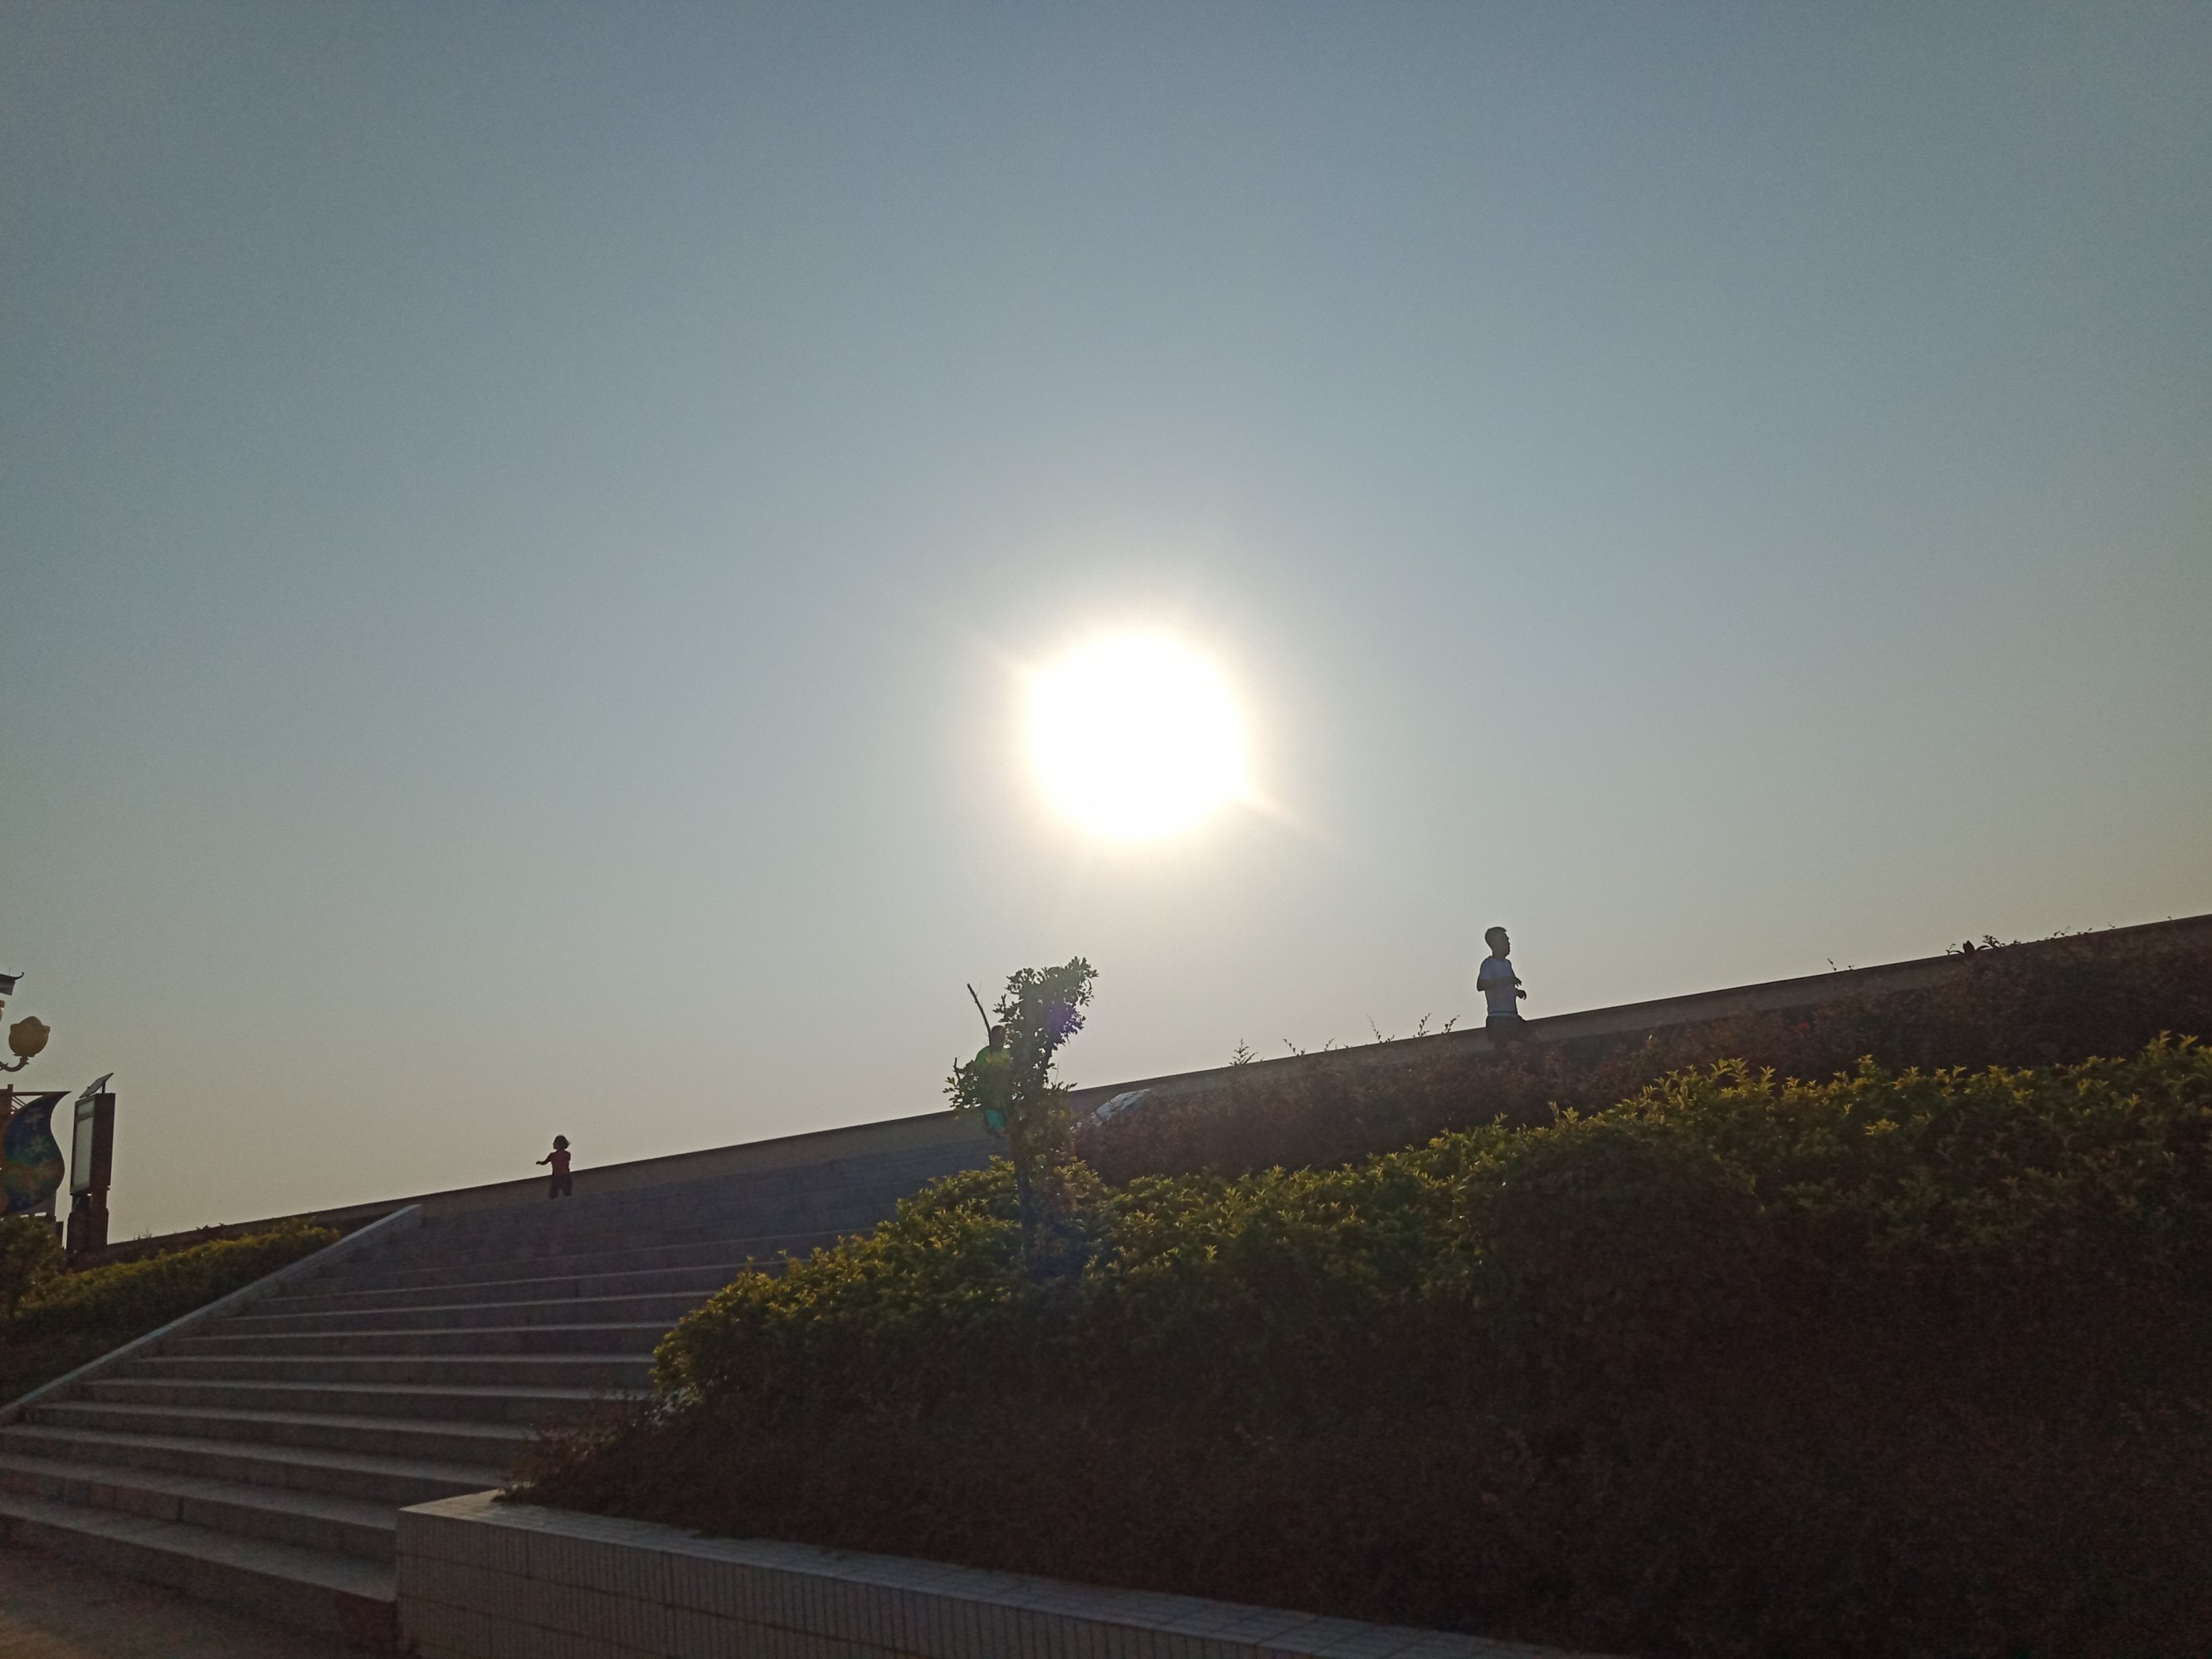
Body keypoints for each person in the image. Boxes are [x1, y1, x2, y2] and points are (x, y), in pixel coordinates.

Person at [1477, 927, 1527, 1038]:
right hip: (1498, 1018)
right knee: (1511, 1046)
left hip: (1512, 1016)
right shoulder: (1488, 964)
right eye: (1504, 940)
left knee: (1534, 1042)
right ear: (1495, 943)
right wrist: (1504, 981)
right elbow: (1481, 985)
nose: (1508, 943)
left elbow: (1505, 988)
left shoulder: (1507, 964)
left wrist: (1516, 992)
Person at [970, 1025, 1012, 1137]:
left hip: (1005, 1093)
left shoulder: (1007, 1053)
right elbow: (978, 1071)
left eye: (1003, 1038)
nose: (1001, 1041)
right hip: (990, 1094)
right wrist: (992, 1069)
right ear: (992, 1038)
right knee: (993, 1117)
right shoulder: (984, 1054)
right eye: (998, 1038)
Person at [537, 1135, 572, 1199]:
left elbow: (545, 1162)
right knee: (566, 1193)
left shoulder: (553, 1155)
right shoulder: (567, 1154)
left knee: (553, 1194)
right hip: (565, 1175)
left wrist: (540, 1163)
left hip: (557, 1176)